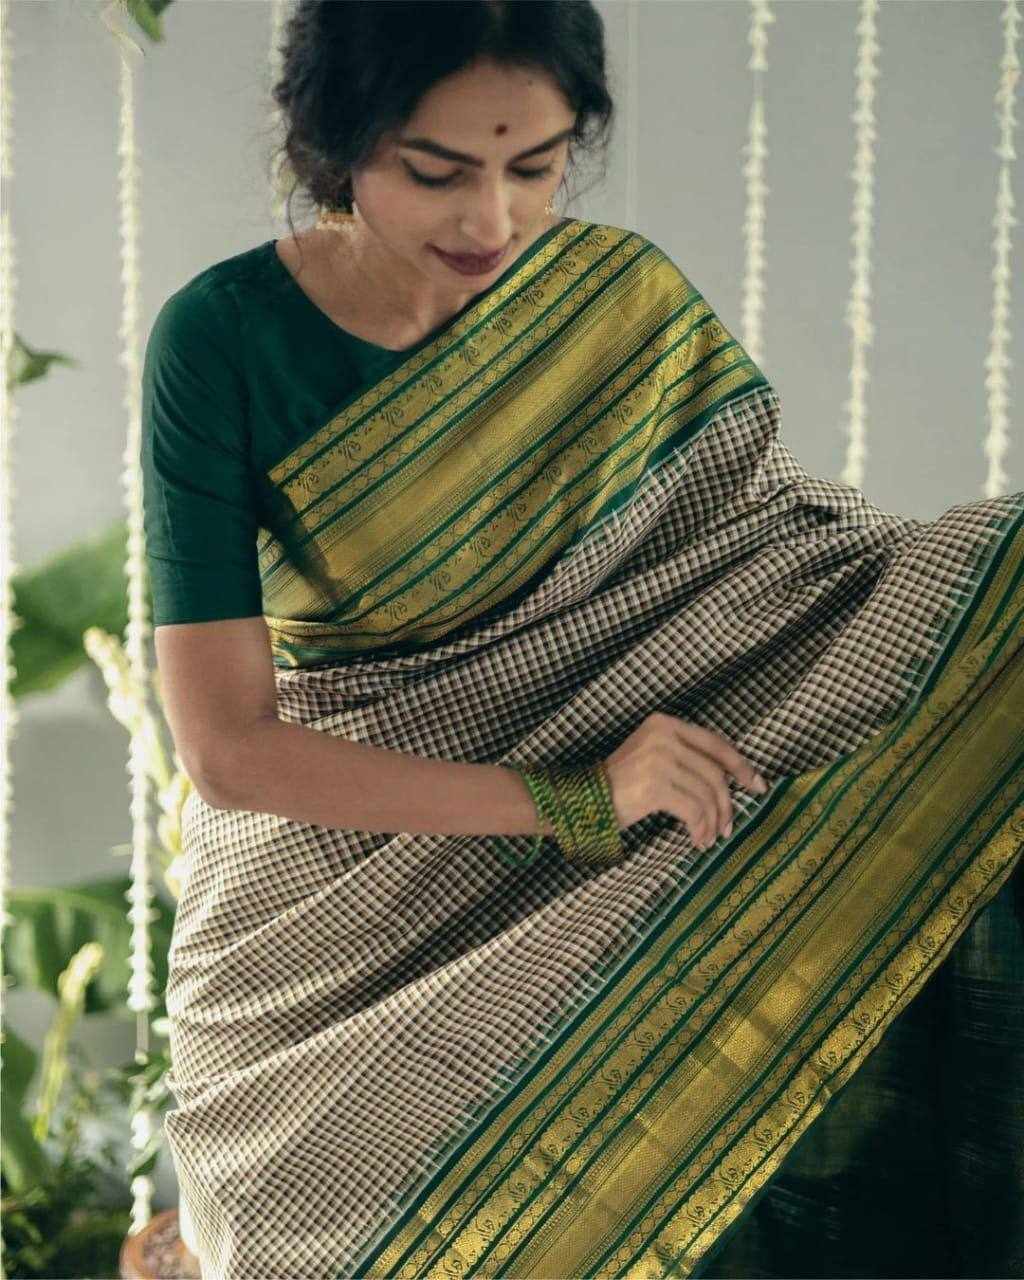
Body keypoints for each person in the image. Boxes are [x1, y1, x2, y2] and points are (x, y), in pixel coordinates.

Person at [141, 2, 1024, 1277]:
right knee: (327, 1231)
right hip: (358, 914)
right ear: (336, 144)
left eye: (536, 166)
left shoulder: (616, 294)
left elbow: (758, 554)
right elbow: (229, 750)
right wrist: (577, 797)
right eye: (436, 171)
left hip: (665, 814)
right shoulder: (221, 341)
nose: (490, 220)